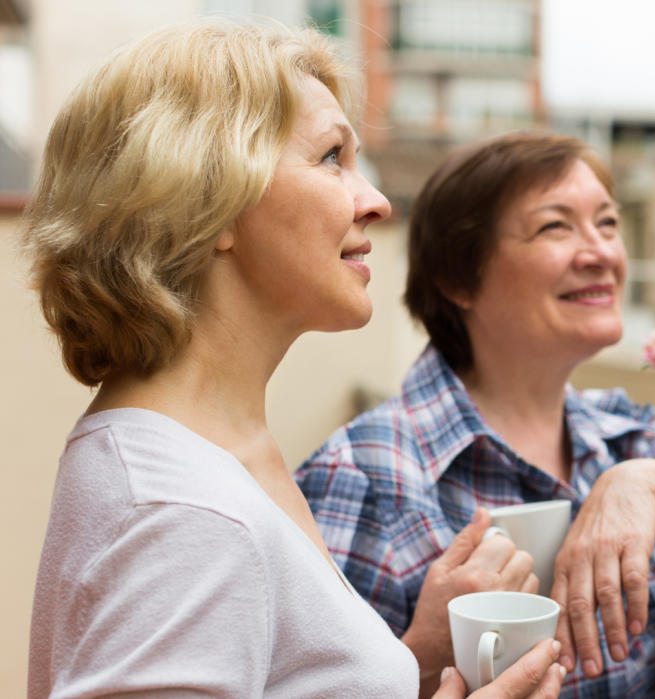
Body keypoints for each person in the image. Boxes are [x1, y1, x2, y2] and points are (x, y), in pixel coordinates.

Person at [24, 21, 564, 698]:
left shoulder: (205, 448)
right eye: (332, 157)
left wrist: (413, 658)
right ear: (206, 198)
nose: (376, 200)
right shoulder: (185, 512)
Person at [296, 131, 655, 697]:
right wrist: (424, 656)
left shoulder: (622, 436)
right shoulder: (359, 475)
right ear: (458, 278)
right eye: (555, 227)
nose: (601, 253)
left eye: (607, 224)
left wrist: (651, 482)